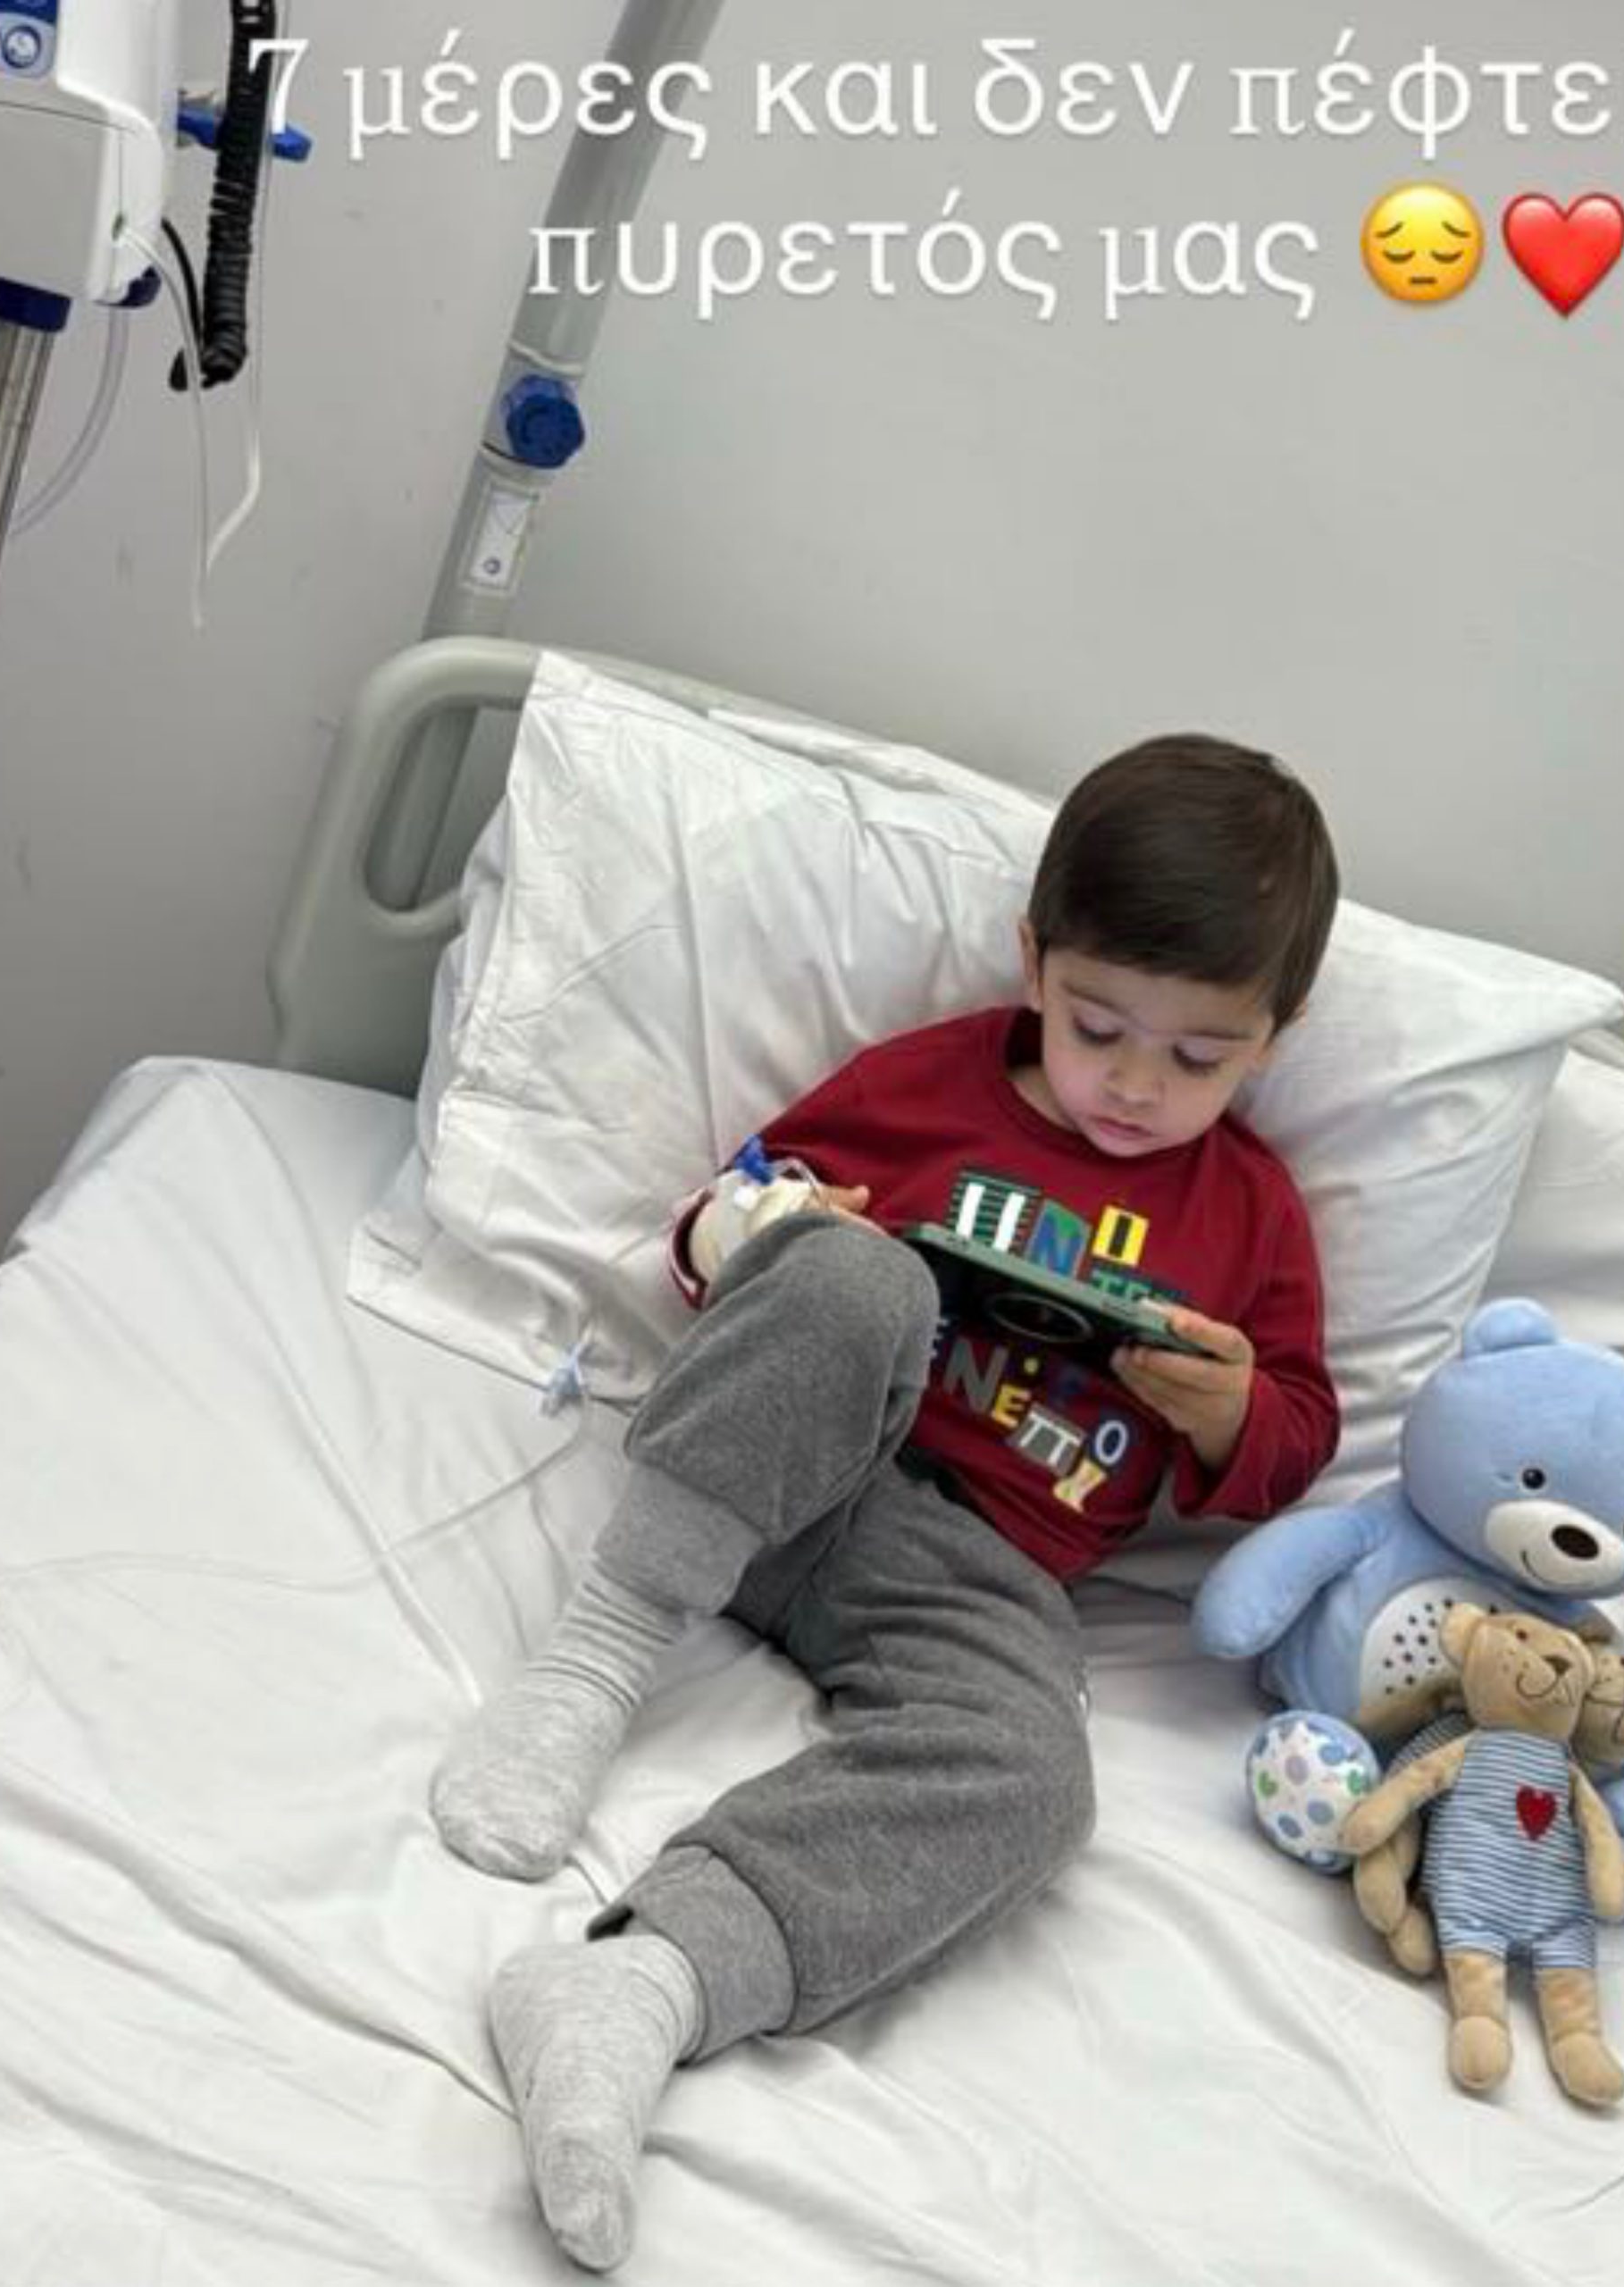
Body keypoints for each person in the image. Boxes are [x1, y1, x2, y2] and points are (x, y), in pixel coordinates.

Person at [431, 733, 1343, 2271]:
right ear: (1033, 962)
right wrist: (776, 1232)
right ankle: (596, 1661)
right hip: (792, 1469)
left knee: (1037, 1779)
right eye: (1097, 1026)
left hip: (984, 1568)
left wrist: (1231, 1409)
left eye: (1200, 1058)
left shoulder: (1250, 1212)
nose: (1135, 1084)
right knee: (852, 1276)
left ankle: (641, 1983)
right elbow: (715, 1227)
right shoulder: (928, 1085)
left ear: (1274, 1038)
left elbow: (1297, 1442)